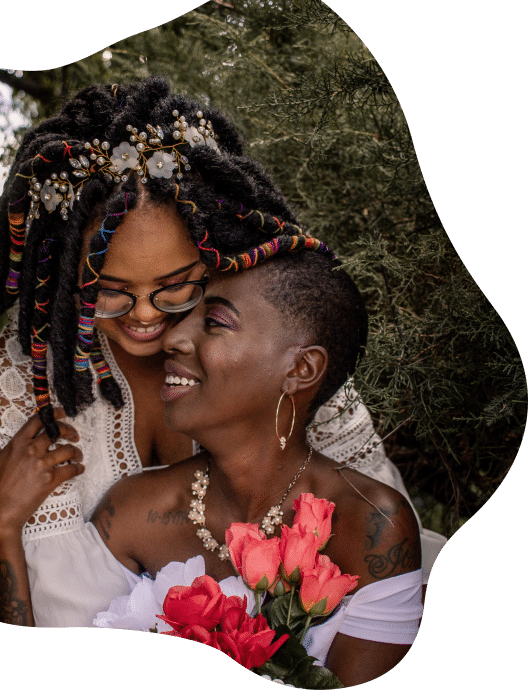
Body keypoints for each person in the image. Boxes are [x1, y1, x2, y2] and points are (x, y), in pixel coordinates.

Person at [0, 77, 423, 627]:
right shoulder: (31, 369)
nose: (145, 316)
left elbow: (373, 554)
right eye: (107, 289)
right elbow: (50, 619)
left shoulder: (275, 340)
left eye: (175, 284)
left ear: (214, 251)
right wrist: (0, 522)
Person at [88, 250, 422, 687]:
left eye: (214, 322)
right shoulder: (131, 512)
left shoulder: (371, 525)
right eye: (184, 316)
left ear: (301, 368)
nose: (173, 338)